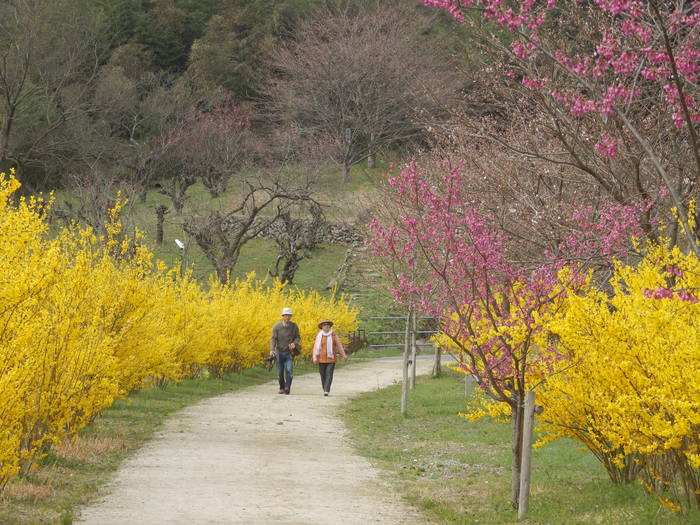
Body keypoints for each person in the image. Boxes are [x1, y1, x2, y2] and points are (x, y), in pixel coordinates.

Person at [312, 319, 348, 396]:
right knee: (322, 375)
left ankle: (326, 390)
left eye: (328, 324)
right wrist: (315, 357)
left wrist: (344, 355)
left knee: (329, 374)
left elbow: (339, 346)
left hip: (331, 359)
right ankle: (324, 388)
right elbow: (315, 347)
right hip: (321, 359)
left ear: (330, 326)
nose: (326, 326)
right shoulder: (319, 336)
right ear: (322, 327)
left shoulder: (333, 335)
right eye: (324, 325)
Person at [270, 307, 301, 394]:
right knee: (280, 373)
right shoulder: (277, 326)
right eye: (286, 315)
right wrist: (272, 349)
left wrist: (294, 343)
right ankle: (282, 387)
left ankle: (287, 388)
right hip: (279, 353)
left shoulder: (294, 326)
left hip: (289, 353)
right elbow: (273, 338)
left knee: (289, 371)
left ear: (291, 316)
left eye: (289, 315)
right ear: (283, 316)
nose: (287, 317)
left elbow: (298, 337)